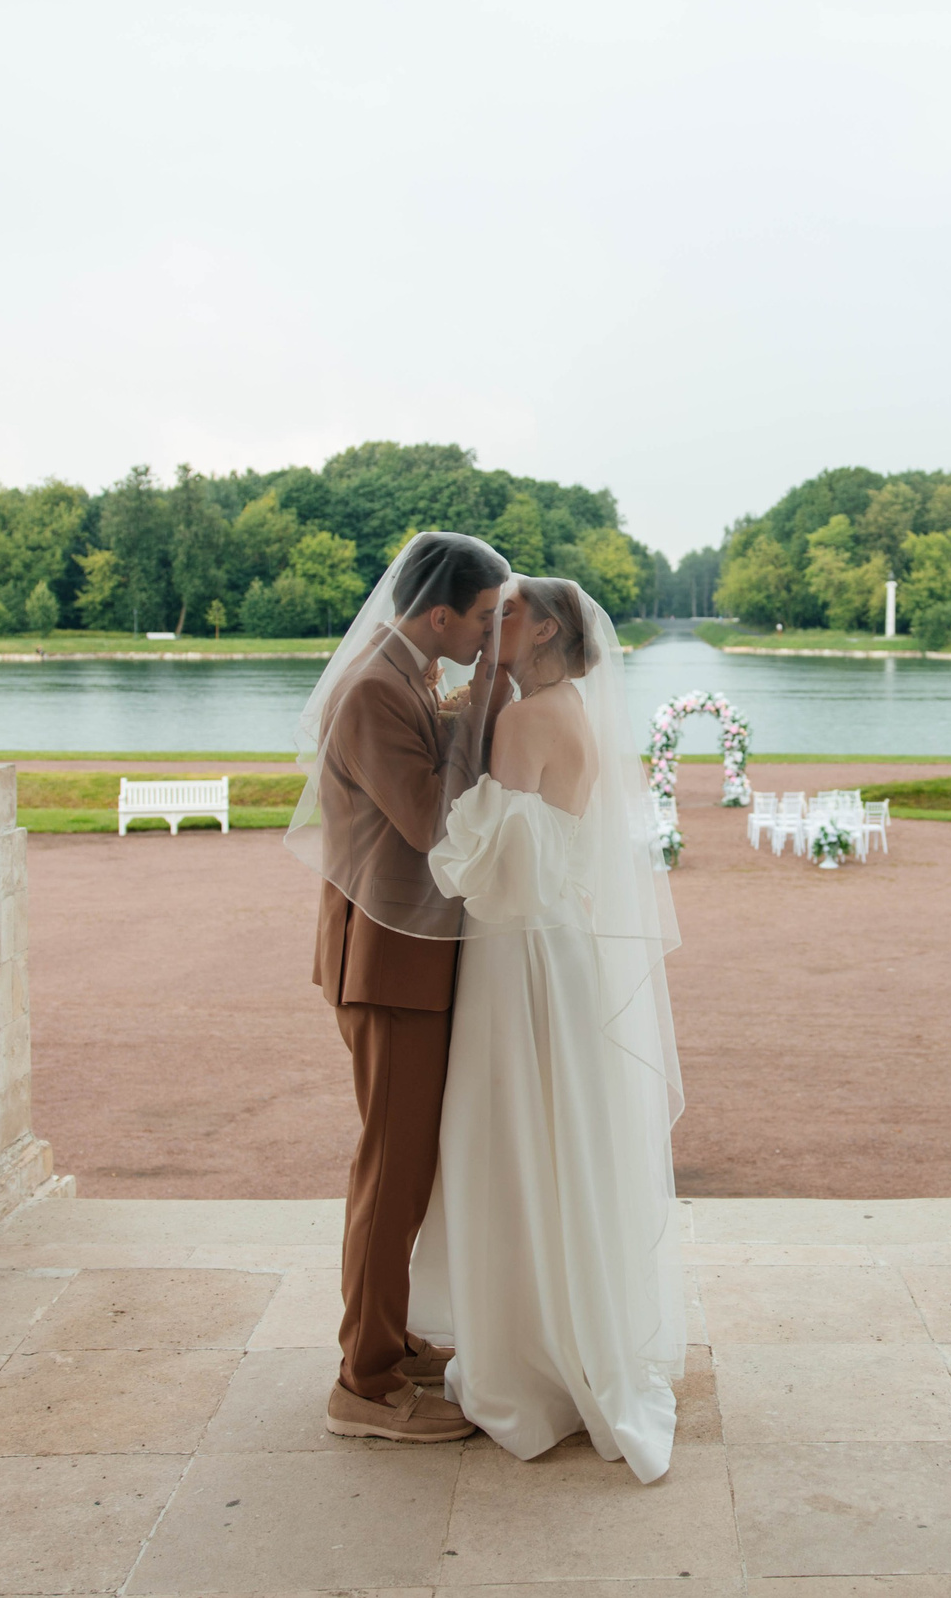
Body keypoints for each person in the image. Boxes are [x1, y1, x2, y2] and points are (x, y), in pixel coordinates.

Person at [410, 576, 688, 1483]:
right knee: (560, 1138)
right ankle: (572, 1333)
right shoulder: (571, 711)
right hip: (560, 945)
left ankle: (523, 1360)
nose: (496, 622)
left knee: (508, 1138)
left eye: (512, 613)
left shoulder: (525, 720)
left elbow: (492, 861)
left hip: (517, 951)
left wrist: (451, 833)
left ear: (546, 632)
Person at [286, 531, 511, 1444]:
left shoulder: (407, 672)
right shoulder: (375, 688)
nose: (492, 634)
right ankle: (365, 1381)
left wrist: (466, 708)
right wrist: (485, 705)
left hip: (407, 954)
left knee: (409, 1166)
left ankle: (387, 1337)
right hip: (387, 961)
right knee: (390, 1170)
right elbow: (426, 819)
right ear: (441, 613)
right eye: (485, 618)